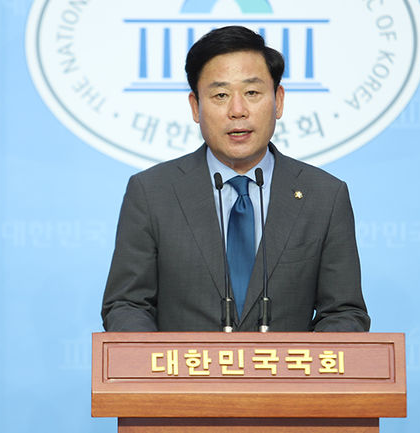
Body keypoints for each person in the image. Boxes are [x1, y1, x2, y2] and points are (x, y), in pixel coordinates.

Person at [101, 26, 370, 332]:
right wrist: (155, 358)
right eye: (221, 95)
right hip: (185, 365)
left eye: (252, 93)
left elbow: (344, 312)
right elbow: (127, 305)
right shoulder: (152, 193)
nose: (238, 110)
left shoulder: (324, 195)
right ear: (195, 107)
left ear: (278, 100)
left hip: (284, 366)